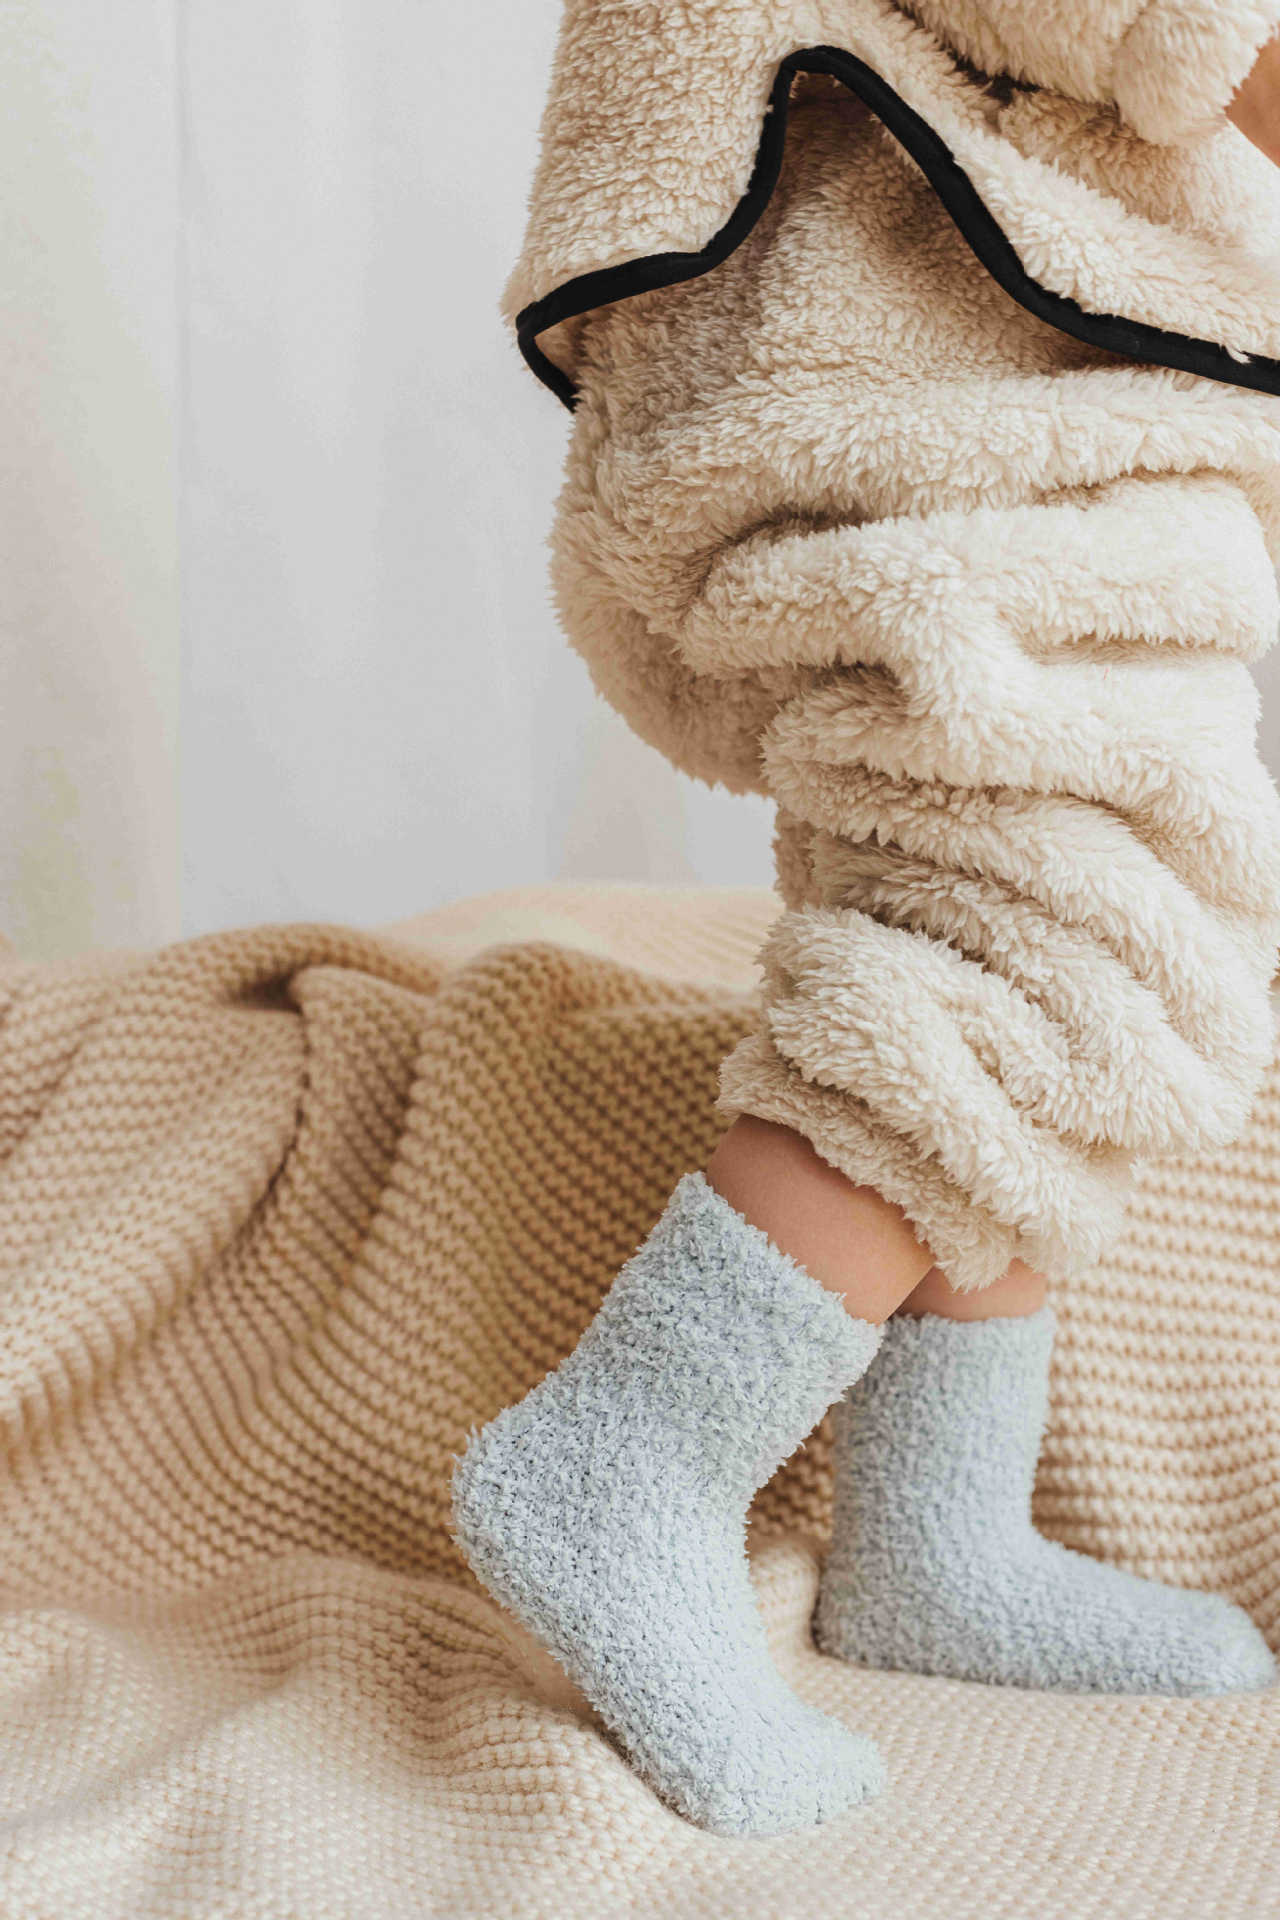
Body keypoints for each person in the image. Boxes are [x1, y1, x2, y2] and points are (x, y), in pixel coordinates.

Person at [454, 0, 1280, 1836]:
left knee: (1014, 891)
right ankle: (625, 1462)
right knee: (1034, 922)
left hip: (943, 324)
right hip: (911, 328)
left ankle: (933, 1535)